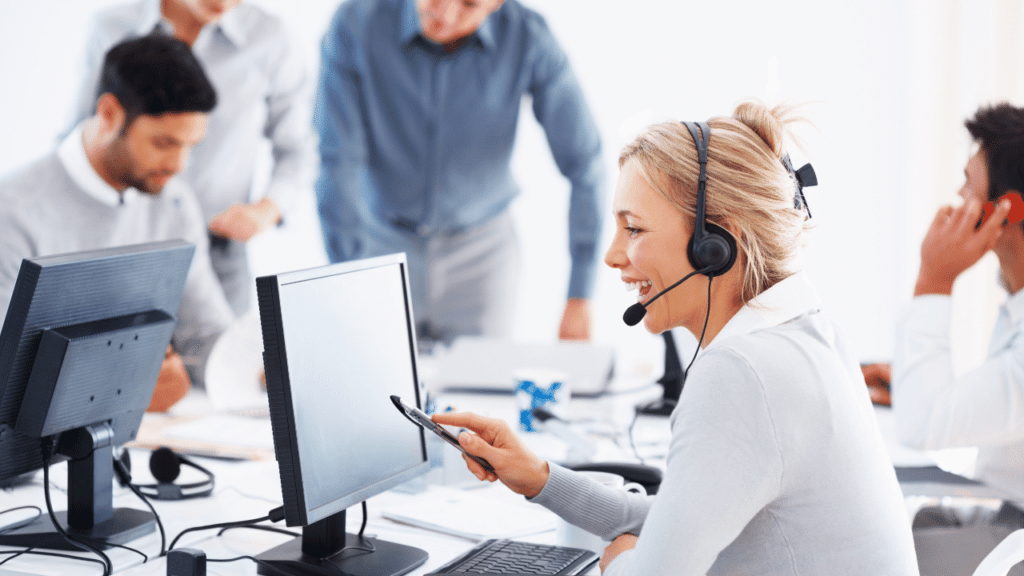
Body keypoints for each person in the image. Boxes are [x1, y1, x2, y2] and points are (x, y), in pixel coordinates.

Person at [434, 102, 919, 574]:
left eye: (634, 229)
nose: (612, 256)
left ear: (715, 243)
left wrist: (619, 560)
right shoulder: (810, 337)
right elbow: (682, 523)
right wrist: (539, 477)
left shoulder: (742, 372)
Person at [315, 0, 605, 344]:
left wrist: (580, 296)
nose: (446, 14)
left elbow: (585, 162)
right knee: (373, 384)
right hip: (379, 245)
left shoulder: (528, 36)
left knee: (479, 392)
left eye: (469, 5)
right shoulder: (356, 23)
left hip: (482, 258)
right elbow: (338, 160)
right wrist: (346, 275)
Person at [0, 35, 234, 412]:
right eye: (164, 143)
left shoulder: (173, 202)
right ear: (109, 114)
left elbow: (205, 335)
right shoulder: (12, 212)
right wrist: (121, 390)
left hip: (148, 446)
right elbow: (7, 373)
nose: (179, 165)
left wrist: (270, 369)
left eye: (191, 146)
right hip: (39, 461)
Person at [66, 0, 317, 316]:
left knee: (224, 359)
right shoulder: (112, 28)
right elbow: (80, 137)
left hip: (219, 252)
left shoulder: (270, 39)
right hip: (123, 247)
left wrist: (266, 210)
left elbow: (297, 148)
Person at [888, 103, 1024, 574]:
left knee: (873, 555)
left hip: (1016, 537)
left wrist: (934, 277)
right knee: (892, 524)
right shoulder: (1016, 302)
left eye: (969, 181)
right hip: (1003, 509)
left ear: (1007, 209)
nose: (958, 195)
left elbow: (923, 426)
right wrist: (910, 383)